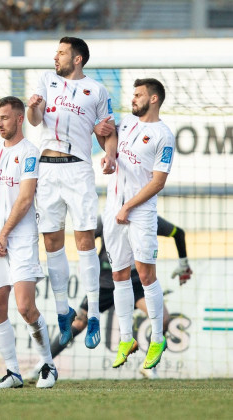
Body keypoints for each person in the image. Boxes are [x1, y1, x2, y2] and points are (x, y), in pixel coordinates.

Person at [27, 36, 118, 350]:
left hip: (78, 169)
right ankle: (63, 312)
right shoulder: (46, 80)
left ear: (77, 58)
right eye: (56, 52)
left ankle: (92, 314)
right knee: (51, 241)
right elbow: (35, 120)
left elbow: (107, 130)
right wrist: (34, 110)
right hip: (47, 169)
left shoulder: (96, 90)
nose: (56, 57)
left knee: (84, 240)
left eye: (62, 53)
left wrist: (110, 154)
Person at [40, 215, 192, 378]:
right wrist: (85, 264)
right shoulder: (107, 219)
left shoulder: (147, 217)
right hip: (105, 282)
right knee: (79, 322)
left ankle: (148, 366)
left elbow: (179, 233)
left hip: (134, 283)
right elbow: (86, 238)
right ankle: (43, 364)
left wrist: (183, 264)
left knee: (163, 319)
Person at [0, 96, 57, 389]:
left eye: (5, 118)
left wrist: (4, 234)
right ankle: (13, 372)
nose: (0, 123)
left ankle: (48, 364)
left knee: (25, 308)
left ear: (20, 119)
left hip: (19, 239)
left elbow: (24, 199)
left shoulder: (30, 152)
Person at [103, 78, 175, 371]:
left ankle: (157, 338)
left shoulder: (163, 135)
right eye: (133, 94)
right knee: (119, 274)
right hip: (112, 209)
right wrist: (108, 156)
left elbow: (158, 181)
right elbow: (110, 140)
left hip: (140, 212)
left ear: (154, 99)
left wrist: (129, 206)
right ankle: (126, 338)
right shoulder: (126, 124)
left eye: (138, 95)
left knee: (145, 274)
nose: (133, 99)